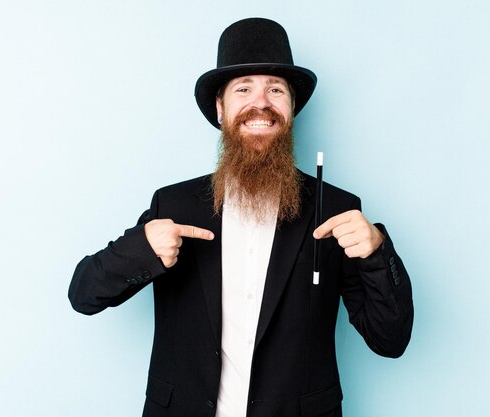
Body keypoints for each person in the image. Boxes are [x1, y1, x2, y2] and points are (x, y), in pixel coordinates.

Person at [69, 17, 414, 417]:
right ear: (220, 109)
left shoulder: (335, 209)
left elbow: (390, 340)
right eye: (244, 89)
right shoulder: (174, 204)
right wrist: (142, 250)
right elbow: (84, 295)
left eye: (276, 89)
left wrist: (375, 252)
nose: (261, 103)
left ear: (291, 108)